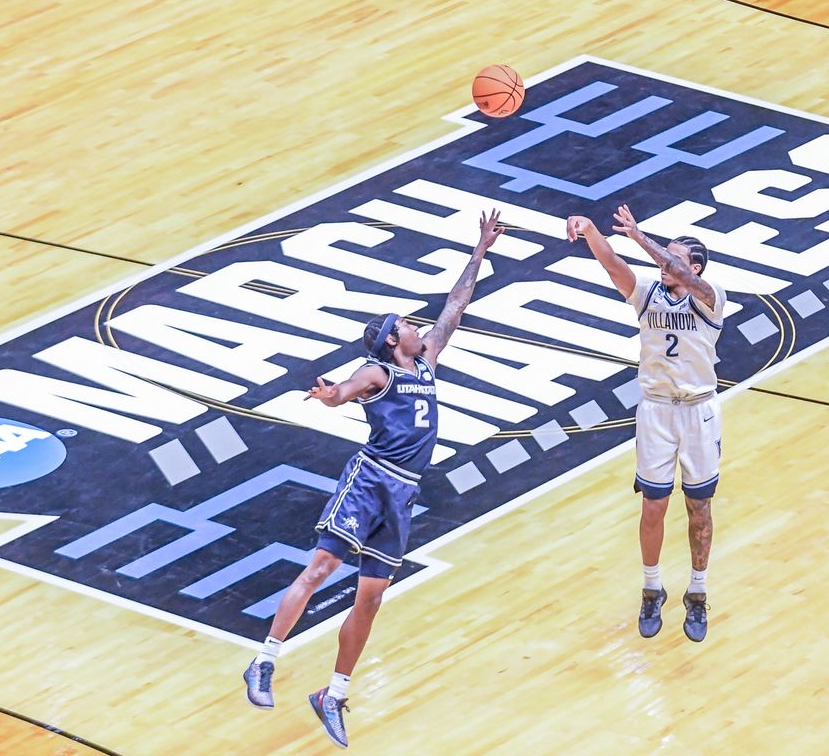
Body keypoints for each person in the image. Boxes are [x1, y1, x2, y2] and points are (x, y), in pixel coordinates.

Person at [243, 209, 505, 748]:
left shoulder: (427, 361)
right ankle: (264, 661)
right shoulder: (378, 372)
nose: (415, 325)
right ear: (391, 340)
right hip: (371, 479)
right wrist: (328, 394)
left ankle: (333, 695)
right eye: (406, 324)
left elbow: (455, 305)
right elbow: (344, 390)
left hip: (404, 491)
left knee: (371, 597)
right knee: (321, 568)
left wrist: (480, 250)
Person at [566, 203, 725, 643]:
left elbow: (681, 273)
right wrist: (594, 231)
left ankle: (697, 592)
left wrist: (640, 237)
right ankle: (652, 587)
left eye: (672, 259)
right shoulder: (648, 295)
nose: (662, 266)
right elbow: (612, 264)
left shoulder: (711, 297)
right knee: (653, 505)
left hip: (698, 411)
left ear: (693, 266)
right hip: (655, 410)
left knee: (700, 508)